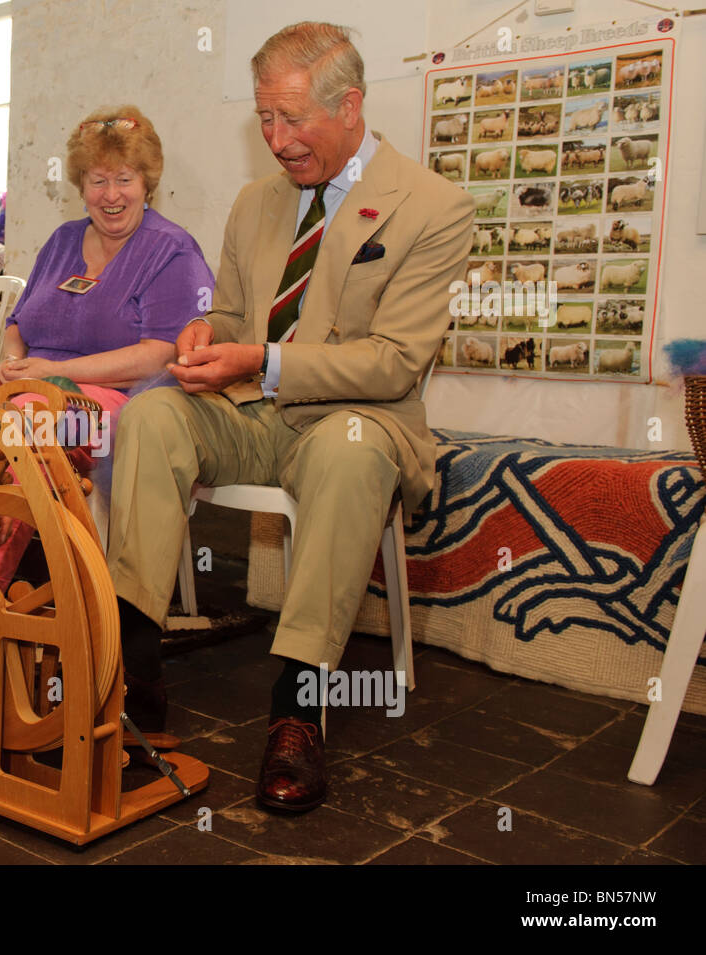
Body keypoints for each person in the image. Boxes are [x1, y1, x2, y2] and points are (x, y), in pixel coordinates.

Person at [106, 23, 474, 812]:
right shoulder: (256, 203)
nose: (275, 140)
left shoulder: (435, 206)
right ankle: (133, 671)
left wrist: (262, 360)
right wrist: (209, 337)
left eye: (292, 119)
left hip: (360, 420)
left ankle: (298, 702)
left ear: (351, 105)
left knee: (347, 450)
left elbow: (393, 362)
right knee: (152, 417)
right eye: (264, 120)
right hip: (258, 417)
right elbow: (238, 317)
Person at [0, 105, 214, 510]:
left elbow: (160, 355)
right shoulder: (62, 241)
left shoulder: (171, 250)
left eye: (124, 179)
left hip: (120, 409)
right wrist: (13, 360)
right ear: (81, 185)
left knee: (26, 418)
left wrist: (53, 372)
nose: (111, 195)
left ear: (146, 183)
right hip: (32, 386)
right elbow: (20, 323)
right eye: (98, 181)